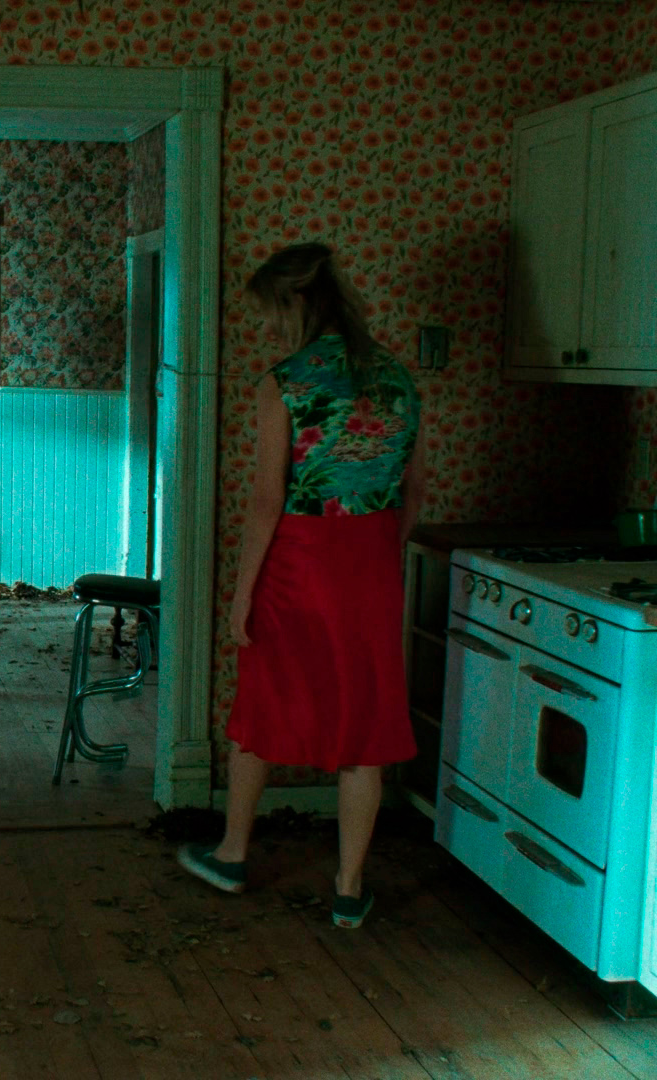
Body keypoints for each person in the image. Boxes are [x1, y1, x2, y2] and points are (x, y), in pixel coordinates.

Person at [178, 242, 427, 930]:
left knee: (264, 698)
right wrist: (378, 554)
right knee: (364, 723)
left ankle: (233, 854)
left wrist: (241, 595)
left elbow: (267, 501)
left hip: (300, 560)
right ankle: (348, 890)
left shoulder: (286, 382)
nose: (267, 327)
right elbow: (413, 494)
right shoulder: (398, 378)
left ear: (295, 303)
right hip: (371, 562)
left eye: (270, 312)